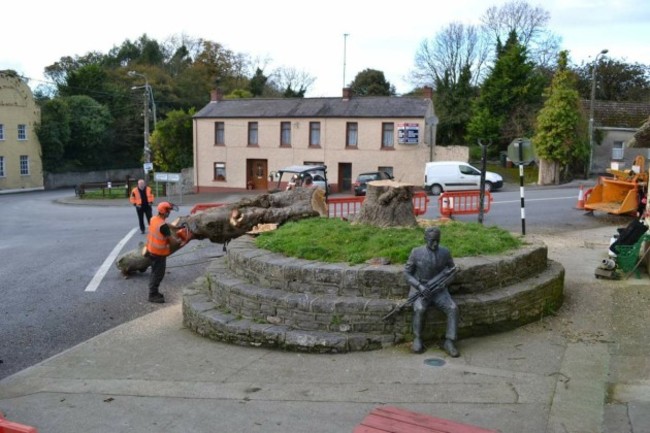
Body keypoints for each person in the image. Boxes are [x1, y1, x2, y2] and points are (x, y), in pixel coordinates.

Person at [404, 226, 460, 357]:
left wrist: (444, 284)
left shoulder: (445, 252)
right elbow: (407, 274)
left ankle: (449, 341)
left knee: (453, 308)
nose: (435, 244)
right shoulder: (416, 252)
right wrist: (419, 286)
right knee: (419, 308)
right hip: (421, 288)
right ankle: (417, 338)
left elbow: (453, 272)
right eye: (432, 240)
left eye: (437, 241)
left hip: (439, 289)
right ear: (425, 239)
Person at [145, 201, 183, 303]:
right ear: (164, 212)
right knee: (158, 274)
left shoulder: (154, 219)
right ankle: (152, 295)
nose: (169, 213)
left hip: (151, 251)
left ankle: (154, 292)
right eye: (168, 211)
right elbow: (173, 241)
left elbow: (164, 223)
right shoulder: (163, 227)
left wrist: (175, 227)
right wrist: (180, 240)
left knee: (154, 272)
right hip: (159, 254)